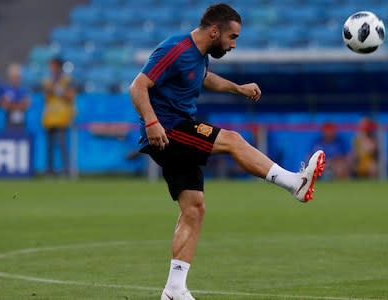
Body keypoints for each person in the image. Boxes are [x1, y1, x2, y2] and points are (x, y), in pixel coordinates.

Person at [129, 4, 326, 300]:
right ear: (214, 30)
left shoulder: (199, 57)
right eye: (232, 37)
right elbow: (138, 86)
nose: (233, 44)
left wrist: (238, 88)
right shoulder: (175, 48)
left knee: (194, 208)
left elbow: (205, 78)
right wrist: (152, 121)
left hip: (175, 130)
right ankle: (294, 183)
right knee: (232, 140)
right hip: (168, 128)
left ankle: (174, 290)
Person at [41, 57, 76, 176]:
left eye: (54, 66)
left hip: (62, 117)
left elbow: (70, 97)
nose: (52, 69)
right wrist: (49, 90)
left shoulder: (67, 80)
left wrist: (57, 90)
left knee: (62, 145)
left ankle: (66, 170)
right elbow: (45, 98)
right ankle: (49, 171)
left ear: (59, 67)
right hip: (50, 117)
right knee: (49, 147)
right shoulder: (47, 80)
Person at [0, 63, 31, 131]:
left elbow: (27, 104)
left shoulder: (24, 90)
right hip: (9, 119)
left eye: (17, 77)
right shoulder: (6, 89)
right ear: (10, 77)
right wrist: (17, 105)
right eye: (14, 77)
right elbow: (4, 103)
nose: (16, 79)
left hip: (21, 120)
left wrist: (14, 105)